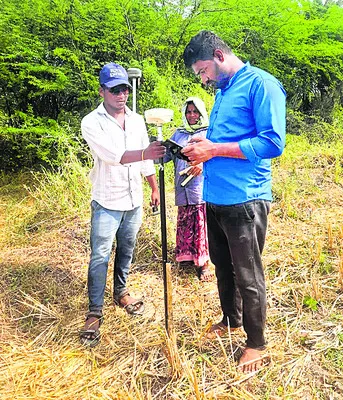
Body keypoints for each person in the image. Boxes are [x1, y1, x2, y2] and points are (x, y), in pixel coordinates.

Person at [182, 31, 286, 373]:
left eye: (203, 70)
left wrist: (213, 149)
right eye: (200, 75)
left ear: (218, 54)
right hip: (215, 196)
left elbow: (272, 143)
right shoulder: (224, 92)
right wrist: (205, 144)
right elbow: (226, 139)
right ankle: (230, 320)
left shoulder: (261, 84)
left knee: (248, 273)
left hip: (245, 198)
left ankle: (256, 343)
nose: (204, 78)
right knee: (222, 267)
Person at [79, 62, 165, 347]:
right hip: (107, 199)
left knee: (127, 249)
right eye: (115, 89)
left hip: (133, 199)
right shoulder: (92, 122)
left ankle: (121, 292)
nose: (121, 95)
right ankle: (94, 311)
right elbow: (112, 155)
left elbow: (144, 160)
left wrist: (153, 187)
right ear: (102, 90)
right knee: (100, 255)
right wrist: (146, 151)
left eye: (125, 89)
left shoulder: (138, 120)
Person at [164, 97, 213, 282]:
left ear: (201, 113)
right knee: (185, 220)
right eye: (188, 112)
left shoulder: (208, 133)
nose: (192, 115)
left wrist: (203, 163)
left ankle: (203, 264)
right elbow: (167, 155)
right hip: (182, 186)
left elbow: (216, 155)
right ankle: (186, 257)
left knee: (200, 222)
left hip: (199, 186)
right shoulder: (179, 133)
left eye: (195, 112)